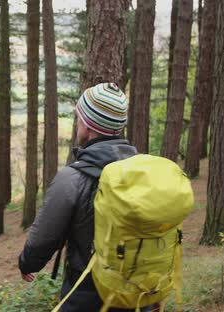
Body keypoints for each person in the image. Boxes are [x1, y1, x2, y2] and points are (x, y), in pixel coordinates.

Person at [18, 82, 151, 311]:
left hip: (89, 294)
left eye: (79, 118)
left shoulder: (72, 178)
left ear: (88, 126)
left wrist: (27, 263)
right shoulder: (143, 170)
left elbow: (44, 236)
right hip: (140, 293)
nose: (77, 124)